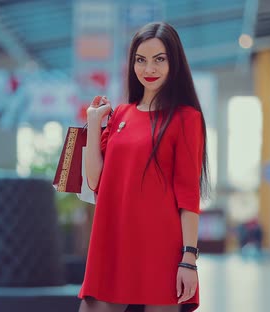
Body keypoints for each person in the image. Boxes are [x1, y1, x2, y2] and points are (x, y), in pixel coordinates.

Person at [78, 21, 209, 312]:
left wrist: (188, 259)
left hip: (161, 248)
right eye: (141, 60)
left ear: (174, 63)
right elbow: (95, 179)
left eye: (159, 59)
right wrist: (95, 121)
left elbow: (188, 196)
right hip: (113, 241)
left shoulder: (186, 118)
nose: (149, 69)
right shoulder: (121, 114)